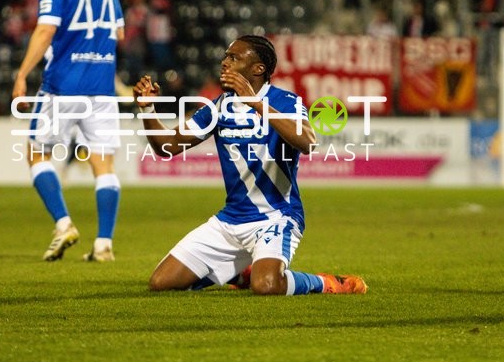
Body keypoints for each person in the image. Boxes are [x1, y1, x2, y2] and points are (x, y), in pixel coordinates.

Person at [133, 35, 368, 296]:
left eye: (233, 58)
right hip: (230, 220)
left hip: (277, 217)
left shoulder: (284, 101)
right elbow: (168, 146)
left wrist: (255, 103)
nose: (224, 63)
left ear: (258, 69)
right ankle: (242, 273)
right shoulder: (220, 107)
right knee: (161, 283)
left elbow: (307, 141)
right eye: (225, 56)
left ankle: (326, 283)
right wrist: (147, 108)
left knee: (267, 286)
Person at [12, 0, 125, 263]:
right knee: (104, 166)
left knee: (36, 154)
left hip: (63, 85)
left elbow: (45, 30)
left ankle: (64, 225)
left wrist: (21, 75)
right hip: (102, 88)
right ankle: (104, 244)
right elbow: (119, 34)